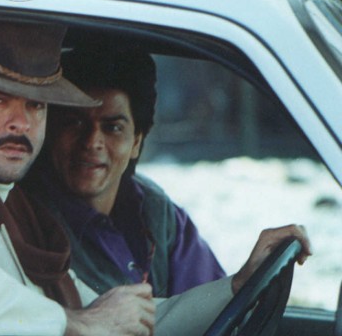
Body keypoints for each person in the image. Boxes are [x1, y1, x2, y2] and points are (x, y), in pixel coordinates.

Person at [0, 21, 312, 336]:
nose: (21, 122)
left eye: (35, 105)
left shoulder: (14, 210)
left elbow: (124, 320)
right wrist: (74, 324)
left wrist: (236, 286)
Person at [23, 39, 225, 298]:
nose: (92, 142)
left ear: (136, 143)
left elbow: (214, 301)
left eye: (113, 128)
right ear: (51, 130)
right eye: (74, 123)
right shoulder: (28, 219)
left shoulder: (157, 211)